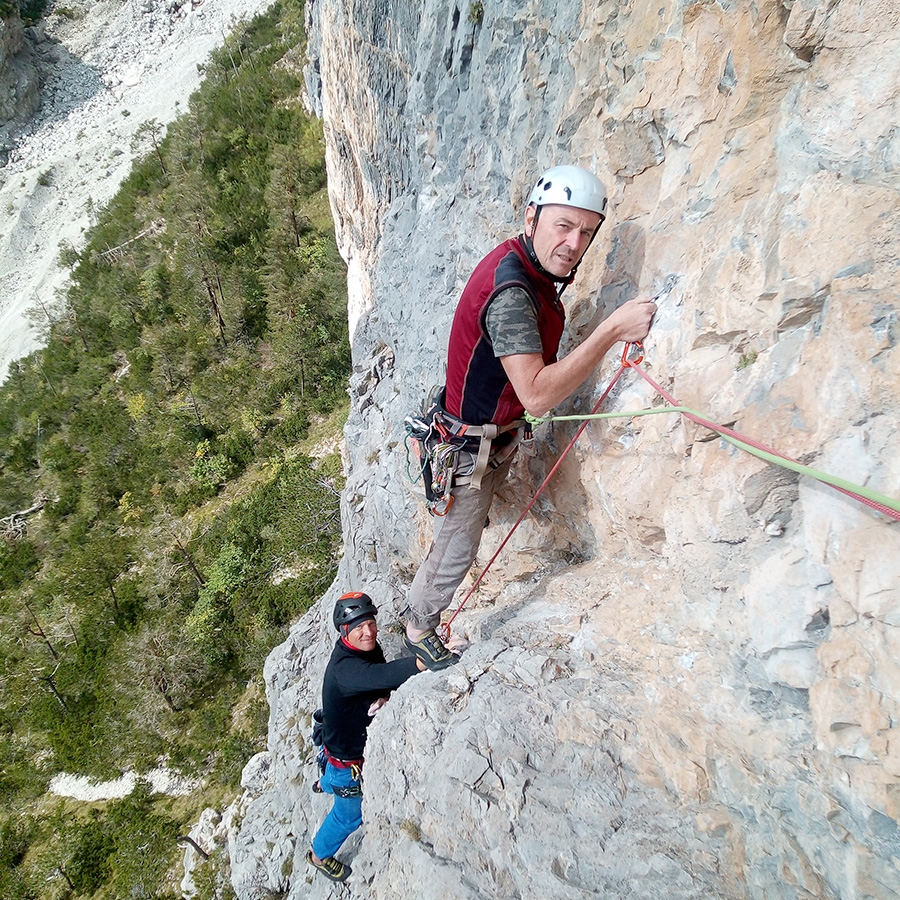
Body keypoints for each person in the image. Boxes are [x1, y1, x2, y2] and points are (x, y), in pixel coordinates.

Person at [404, 165, 657, 670]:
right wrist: (610, 331)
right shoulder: (514, 293)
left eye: (586, 231)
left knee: (462, 532)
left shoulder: (522, 264)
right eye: (563, 225)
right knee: (458, 544)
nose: (573, 242)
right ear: (531, 217)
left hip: (484, 431)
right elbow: (538, 395)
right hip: (470, 448)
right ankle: (418, 625)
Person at [307, 591, 425, 882]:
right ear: (345, 631)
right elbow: (381, 676)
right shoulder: (345, 669)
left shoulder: (362, 649)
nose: (369, 631)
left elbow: (378, 679)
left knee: (331, 772)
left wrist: (383, 697)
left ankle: (324, 782)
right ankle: (318, 855)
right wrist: (424, 661)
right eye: (359, 627)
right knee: (349, 816)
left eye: (370, 623)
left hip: (336, 743)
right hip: (345, 763)